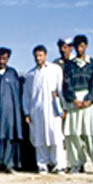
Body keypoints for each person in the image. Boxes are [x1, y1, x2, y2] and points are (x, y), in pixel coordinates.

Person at [62, 35, 93, 173]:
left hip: (89, 103)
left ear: (86, 46)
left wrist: (89, 99)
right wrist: (73, 99)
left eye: (82, 46)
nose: (79, 49)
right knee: (74, 134)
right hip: (74, 103)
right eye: (77, 46)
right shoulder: (69, 65)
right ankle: (76, 163)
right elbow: (66, 84)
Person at [22, 45, 64, 173]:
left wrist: (63, 108)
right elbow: (26, 95)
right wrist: (27, 112)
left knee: (55, 136)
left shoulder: (55, 69)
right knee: (39, 138)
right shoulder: (30, 75)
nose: (38, 58)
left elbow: (60, 89)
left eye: (40, 55)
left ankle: (58, 165)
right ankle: (42, 164)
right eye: (36, 56)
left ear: (45, 55)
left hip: (53, 109)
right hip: (36, 110)